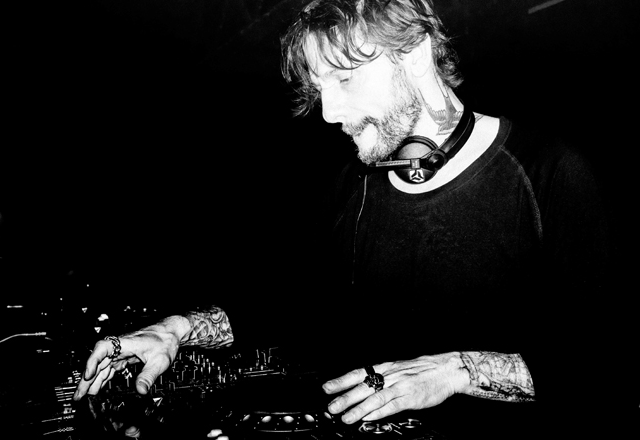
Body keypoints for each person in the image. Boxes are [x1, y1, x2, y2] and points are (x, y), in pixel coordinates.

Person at [74, 1, 631, 438]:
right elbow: (288, 306)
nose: (329, 112)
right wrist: (175, 329)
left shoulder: (549, 172)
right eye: (319, 89)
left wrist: (456, 370)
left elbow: (603, 369)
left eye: (344, 79)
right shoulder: (352, 184)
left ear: (415, 53)